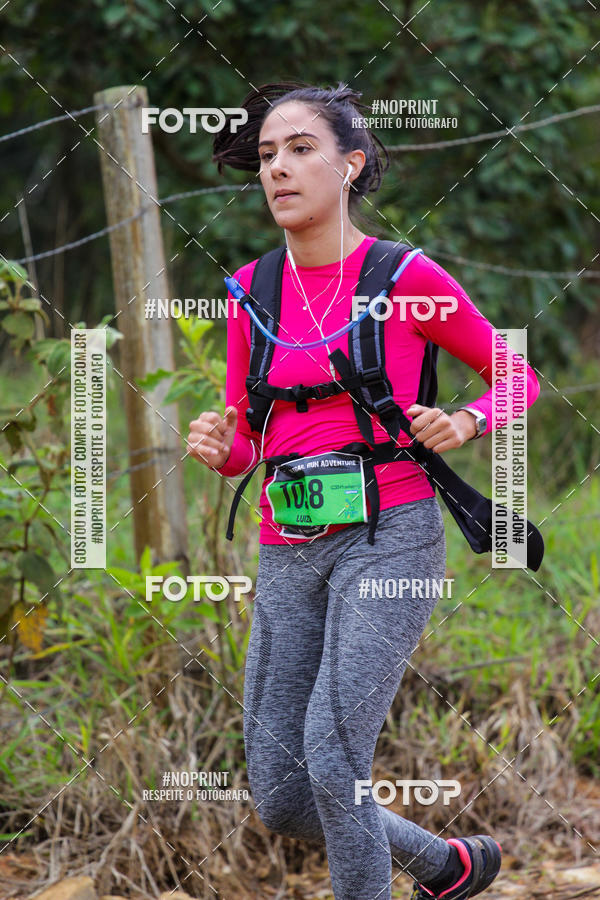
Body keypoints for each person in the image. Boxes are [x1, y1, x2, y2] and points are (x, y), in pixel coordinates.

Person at [187, 81, 539, 900]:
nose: (279, 168)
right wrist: (221, 446)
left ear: (351, 165)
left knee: (333, 755)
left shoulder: (406, 274)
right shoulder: (250, 290)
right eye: (268, 154)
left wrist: (467, 420)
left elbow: (514, 374)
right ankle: (445, 866)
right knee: (280, 792)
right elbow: (249, 442)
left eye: (301, 150)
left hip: (393, 532)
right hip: (288, 542)